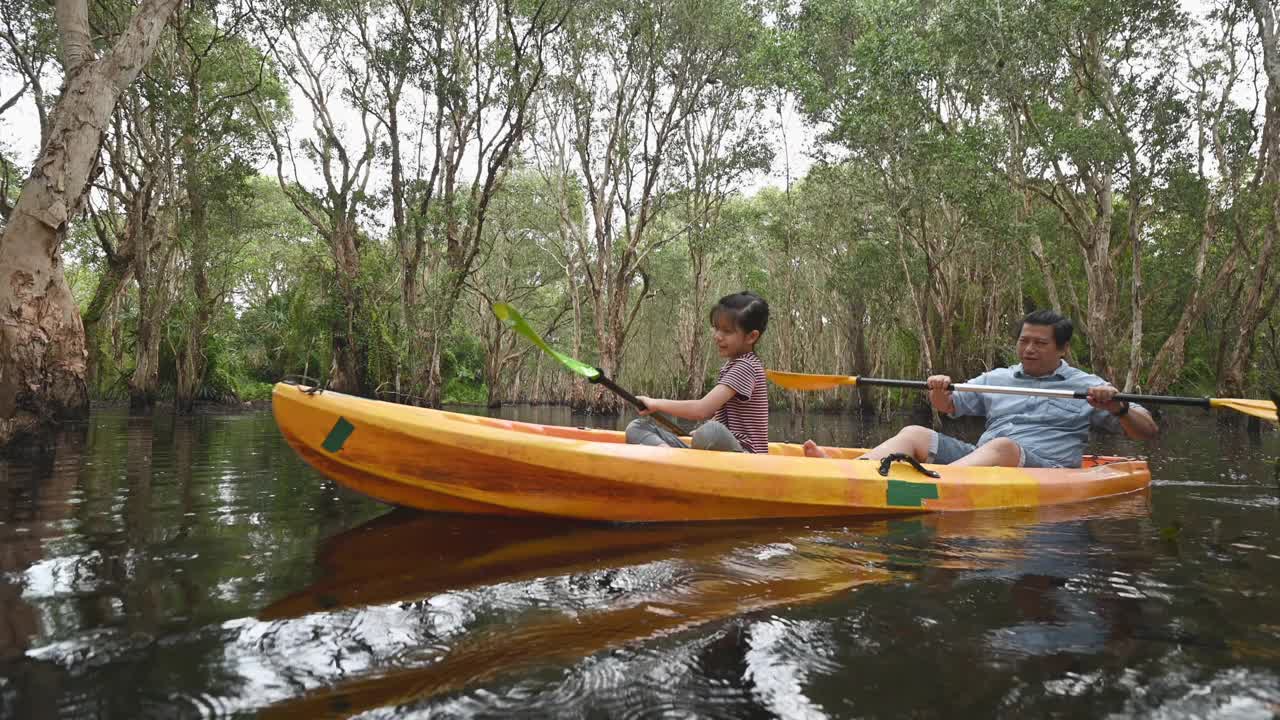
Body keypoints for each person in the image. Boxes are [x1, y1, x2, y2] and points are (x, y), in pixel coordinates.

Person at [803, 310, 1158, 467]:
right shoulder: (998, 378)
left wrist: (1119, 407)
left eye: (1040, 343)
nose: (1029, 350)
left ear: (1062, 349)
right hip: (983, 459)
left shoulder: (1088, 386)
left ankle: (932, 482)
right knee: (914, 432)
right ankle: (854, 470)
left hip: (1047, 467)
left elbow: (1146, 431)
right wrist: (939, 389)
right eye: (1024, 341)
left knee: (1004, 446)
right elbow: (948, 407)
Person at [627, 292, 770, 453]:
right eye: (716, 329)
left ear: (751, 336)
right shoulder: (732, 365)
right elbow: (724, 412)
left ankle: (678, 460)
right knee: (637, 427)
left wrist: (655, 403)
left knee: (710, 431)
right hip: (722, 454)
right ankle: (671, 457)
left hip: (747, 458)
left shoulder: (746, 366)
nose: (717, 336)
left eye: (727, 331)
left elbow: (702, 410)